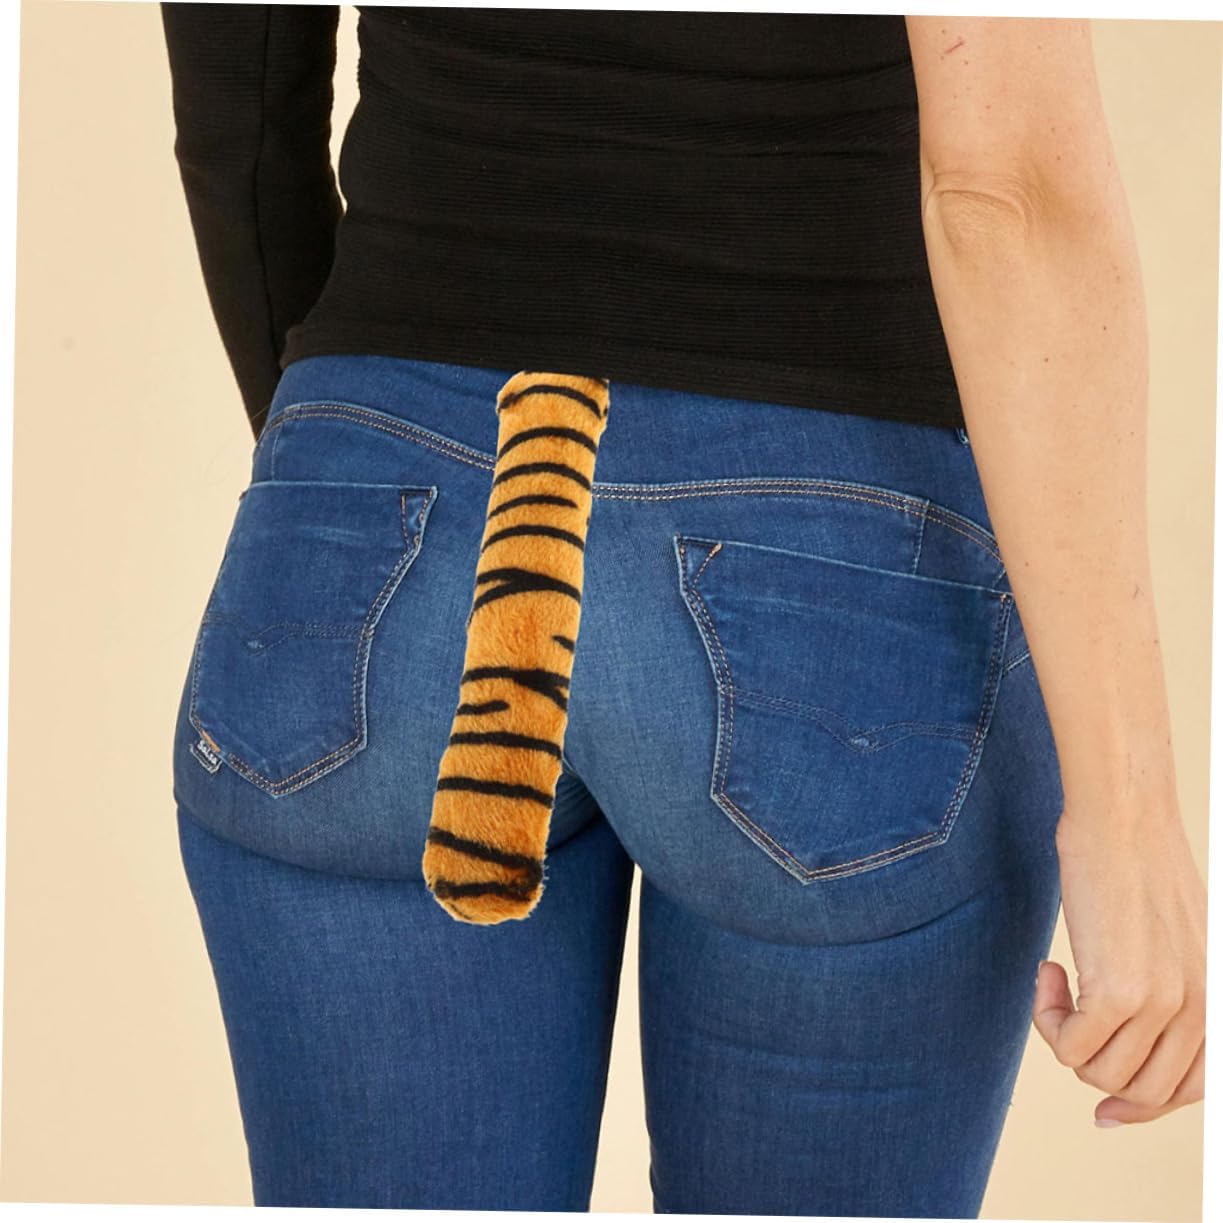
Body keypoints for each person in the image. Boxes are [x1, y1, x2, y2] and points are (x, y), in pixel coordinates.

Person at [159, 5, 1207, 1215]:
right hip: (832, 579)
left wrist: (334, 491)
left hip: (375, 526)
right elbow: (1003, 188)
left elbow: (238, 103)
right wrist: (1126, 812)